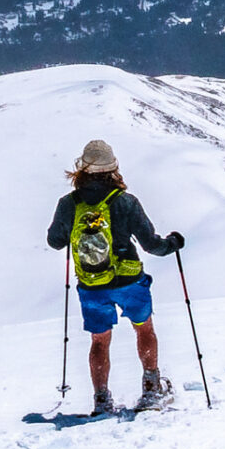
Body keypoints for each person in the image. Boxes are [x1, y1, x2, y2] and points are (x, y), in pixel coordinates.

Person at [46, 140, 185, 416]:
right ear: (112, 169)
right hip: (130, 282)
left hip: (92, 286)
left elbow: (55, 242)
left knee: (99, 341)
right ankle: (150, 389)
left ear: (81, 171)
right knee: (144, 329)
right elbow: (151, 245)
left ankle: (101, 400)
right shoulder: (125, 202)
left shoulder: (69, 204)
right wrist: (173, 243)